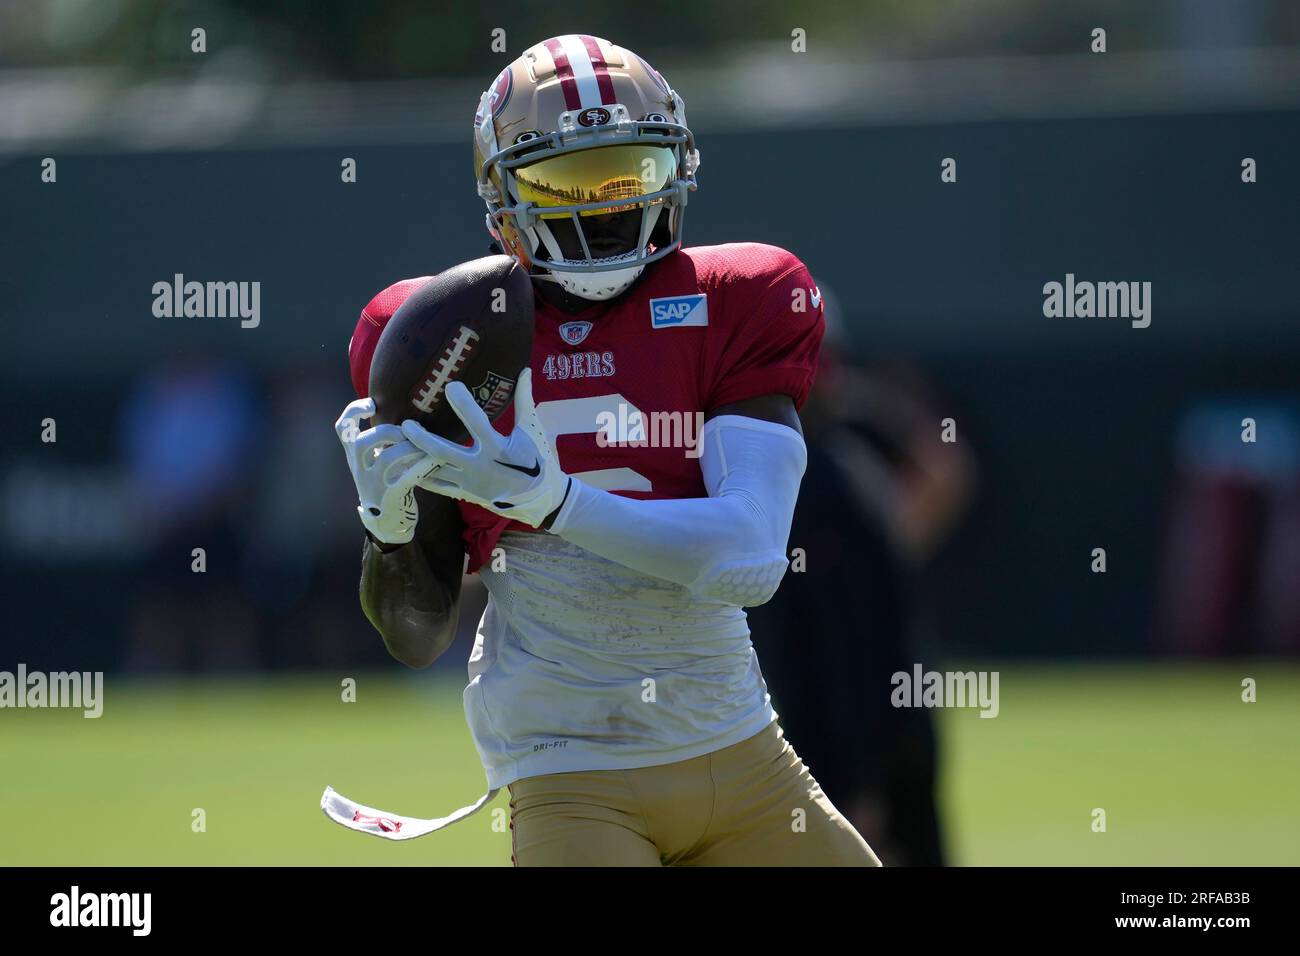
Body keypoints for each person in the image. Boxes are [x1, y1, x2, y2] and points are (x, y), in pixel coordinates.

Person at [333, 35, 879, 867]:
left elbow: (752, 560)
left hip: (745, 752)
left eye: (632, 170)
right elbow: (417, 635)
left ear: (680, 165)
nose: (608, 204)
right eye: (569, 180)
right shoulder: (450, 332)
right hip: (570, 771)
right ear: (502, 195)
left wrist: (557, 505)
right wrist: (389, 524)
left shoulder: (735, 298)